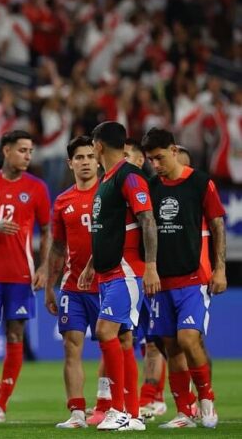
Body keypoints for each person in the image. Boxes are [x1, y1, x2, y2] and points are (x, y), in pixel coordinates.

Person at [77, 121, 160, 432]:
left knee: (105, 331)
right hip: (108, 268)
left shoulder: (130, 176)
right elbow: (105, 230)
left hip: (127, 269)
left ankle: (117, 409)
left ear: (98, 146)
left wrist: (150, 266)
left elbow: (148, 220)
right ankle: (133, 413)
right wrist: (90, 266)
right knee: (123, 337)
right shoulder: (108, 179)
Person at [142, 127, 225, 429]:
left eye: (160, 158)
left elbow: (217, 226)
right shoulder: (152, 186)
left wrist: (220, 268)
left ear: (174, 150)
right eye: (151, 160)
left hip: (193, 277)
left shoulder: (201, 183)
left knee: (188, 339)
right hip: (161, 281)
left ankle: (206, 400)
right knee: (170, 346)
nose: (156, 164)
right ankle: (184, 412)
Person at [0, 130, 52, 423]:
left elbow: (48, 230)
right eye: (22, 150)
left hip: (20, 274)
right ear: (6, 151)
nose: (28, 156)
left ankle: (1, 403)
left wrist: (43, 267)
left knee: (15, 335)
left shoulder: (38, 187)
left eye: (30, 151)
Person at [43, 136, 110, 428]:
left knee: (111, 345)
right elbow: (58, 246)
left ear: (98, 160)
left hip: (108, 284)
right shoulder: (63, 201)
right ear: (70, 164)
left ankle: (107, 404)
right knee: (72, 345)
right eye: (79, 158)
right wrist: (49, 284)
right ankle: (77, 412)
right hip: (72, 286)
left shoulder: (109, 194)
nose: (85, 162)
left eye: (89, 157)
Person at [126, 137, 167, 420]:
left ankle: (153, 398)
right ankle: (124, 401)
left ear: (140, 160)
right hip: (125, 274)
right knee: (127, 338)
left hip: (150, 274)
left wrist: (153, 267)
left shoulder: (153, 189)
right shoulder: (115, 188)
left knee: (155, 341)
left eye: (126, 154)